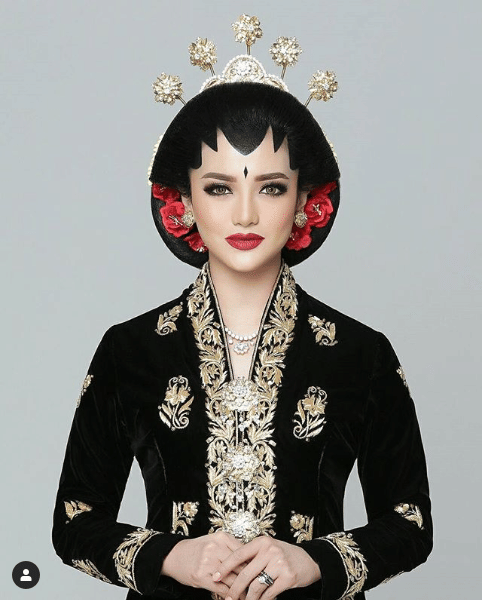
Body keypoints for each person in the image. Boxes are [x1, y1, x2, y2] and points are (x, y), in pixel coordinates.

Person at [52, 18, 432, 600]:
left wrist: (312, 562)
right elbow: (74, 522)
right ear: (183, 200)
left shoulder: (363, 355)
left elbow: (410, 524)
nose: (247, 215)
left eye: (272, 187)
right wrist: (172, 555)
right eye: (220, 187)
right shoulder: (130, 350)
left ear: (306, 200)